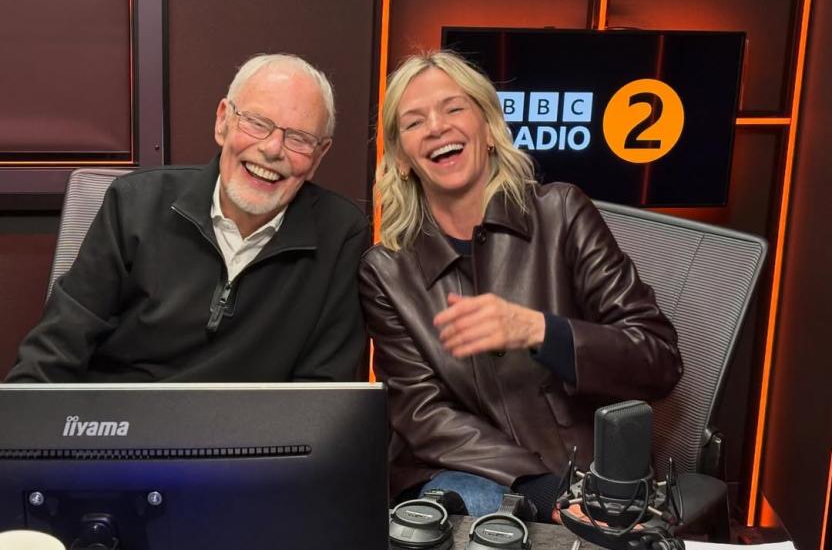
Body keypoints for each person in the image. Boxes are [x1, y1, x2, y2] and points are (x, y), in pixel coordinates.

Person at [359, 51, 683, 519]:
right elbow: (421, 414)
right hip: (463, 475)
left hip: (585, 472)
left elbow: (659, 360)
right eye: (413, 122)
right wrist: (541, 490)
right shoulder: (385, 270)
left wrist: (540, 331)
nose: (435, 127)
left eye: (453, 109)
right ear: (402, 158)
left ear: (488, 129)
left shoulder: (563, 212)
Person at [6, 53, 369, 383]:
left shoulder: (342, 235)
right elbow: (54, 352)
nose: (272, 149)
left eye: (299, 139)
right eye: (257, 123)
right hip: (119, 435)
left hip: (248, 447)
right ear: (222, 121)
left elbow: (324, 395)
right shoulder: (134, 203)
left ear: (319, 155)